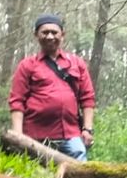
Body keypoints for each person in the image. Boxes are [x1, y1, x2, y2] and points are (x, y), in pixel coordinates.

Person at [8, 14, 97, 160]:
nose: (50, 36)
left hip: (70, 135)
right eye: (45, 32)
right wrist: (18, 135)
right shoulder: (27, 65)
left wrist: (87, 129)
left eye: (54, 32)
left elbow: (87, 99)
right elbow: (17, 101)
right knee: (35, 174)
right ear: (36, 35)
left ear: (62, 35)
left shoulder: (76, 63)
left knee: (79, 171)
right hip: (35, 136)